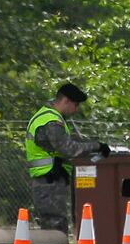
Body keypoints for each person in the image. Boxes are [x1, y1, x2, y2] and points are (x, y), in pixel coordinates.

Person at [26, 83, 107, 235]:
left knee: (54, 229)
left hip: (49, 181)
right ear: (66, 101)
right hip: (49, 183)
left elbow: (71, 143)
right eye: (75, 105)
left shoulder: (46, 116)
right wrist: (97, 147)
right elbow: (69, 148)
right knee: (55, 231)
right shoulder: (51, 122)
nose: (76, 110)